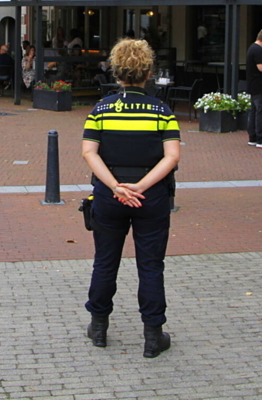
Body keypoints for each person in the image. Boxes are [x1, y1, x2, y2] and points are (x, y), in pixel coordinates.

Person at [81, 39, 180, 358]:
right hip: (151, 198)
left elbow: (89, 152)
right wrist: (141, 186)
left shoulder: (100, 109)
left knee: (104, 262)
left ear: (116, 71)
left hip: (109, 198)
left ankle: (98, 328)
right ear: (148, 73)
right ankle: (153, 336)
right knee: (151, 265)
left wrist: (115, 186)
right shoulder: (162, 111)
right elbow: (172, 157)